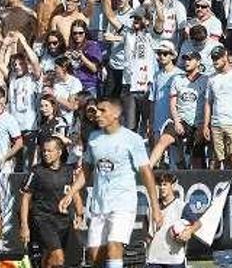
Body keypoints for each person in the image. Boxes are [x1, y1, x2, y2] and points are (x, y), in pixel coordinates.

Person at [62, 97, 161, 268]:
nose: (97, 114)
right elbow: (86, 170)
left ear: (116, 114)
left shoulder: (132, 139)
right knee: (94, 255)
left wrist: (155, 206)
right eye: (96, 110)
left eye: (103, 111)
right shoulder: (94, 138)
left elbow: (146, 173)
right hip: (99, 205)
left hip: (123, 203)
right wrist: (71, 192)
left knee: (115, 246)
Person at [20, 136, 81, 268]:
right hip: (43, 219)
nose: (45, 154)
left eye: (49, 151)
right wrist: (24, 225)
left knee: (59, 258)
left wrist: (79, 214)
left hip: (64, 221)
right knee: (58, 257)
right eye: (44, 151)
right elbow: (25, 198)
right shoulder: (36, 171)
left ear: (59, 152)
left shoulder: (68, 171)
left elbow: (75, 194)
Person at [144, 172, 199, 268]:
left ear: (173, 186)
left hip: (174, 260)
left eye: (165, 184)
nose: (162, 188)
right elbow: (146, 234)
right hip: (154, 259)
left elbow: (198, 223)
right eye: (160, 185)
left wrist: (189, 231)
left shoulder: (181, 206)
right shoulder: (152, 207)